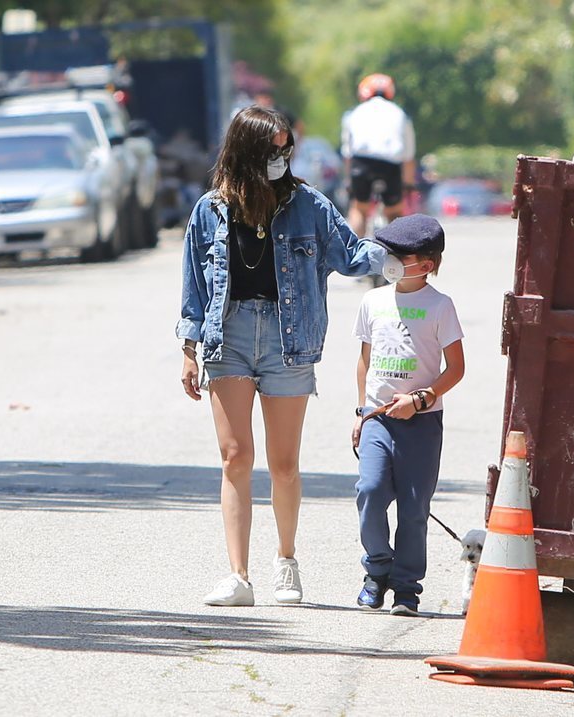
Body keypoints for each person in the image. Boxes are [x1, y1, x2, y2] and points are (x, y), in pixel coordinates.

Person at [177, 106, 388, 607]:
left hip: (287, 338)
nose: (283, 157)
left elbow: (352, 254)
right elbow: (192, 288)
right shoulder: (209, 210)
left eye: (287, 148)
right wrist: (188, 350)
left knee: (284, 462)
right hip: (226, 336)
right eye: (274, 149)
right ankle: (238, 575)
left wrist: (405, 252)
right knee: (235, 458)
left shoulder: (309, 205)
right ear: (248, 151)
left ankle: (286, 562)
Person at [350, 214, 465, 616]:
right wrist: (362, 413)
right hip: (377, 419)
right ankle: (376, 570)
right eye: (388, 253)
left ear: (427, 264)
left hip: (422, 424)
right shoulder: (372, 301)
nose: (390, 260)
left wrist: (420, 399)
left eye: (400, 255)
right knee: (370, 491)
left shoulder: (440, 307)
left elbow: (456, 368)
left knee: (414, 508)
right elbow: (364, 362)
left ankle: (406, 587)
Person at [340, 73, 417, 237]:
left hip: (362, 163)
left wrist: (348, 182)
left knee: (359, 209)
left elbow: (348, 153)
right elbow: (408, 156)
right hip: (391, 164)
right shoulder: (400, 113)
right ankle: (399, 253)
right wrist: (408, 185)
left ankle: (354, 253)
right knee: (394, 212)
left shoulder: (354, 113)